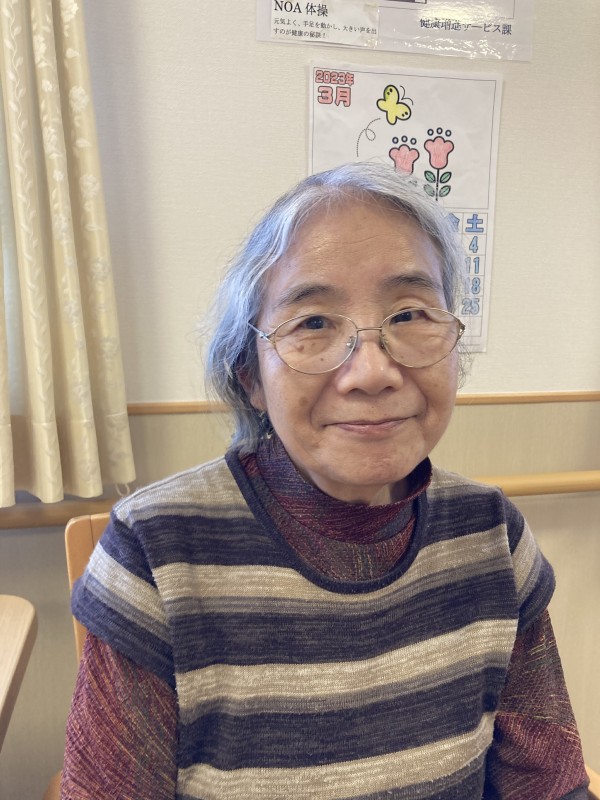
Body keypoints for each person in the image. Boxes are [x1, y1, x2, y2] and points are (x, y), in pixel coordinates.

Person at [61, 162, 589, 799]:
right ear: (250, 376)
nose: (371, 372)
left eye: (410, 313)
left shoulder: (490, 535)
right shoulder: (158, 549)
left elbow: (548, 781)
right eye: (313, 323)